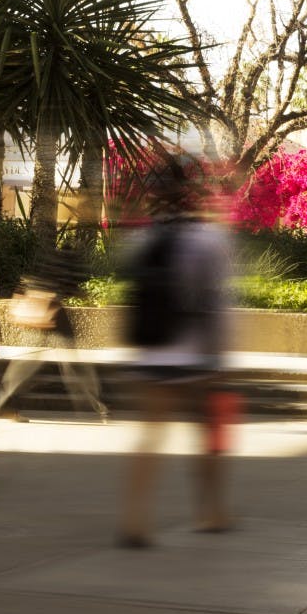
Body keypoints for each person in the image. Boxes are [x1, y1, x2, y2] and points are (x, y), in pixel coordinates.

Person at [116, 155, 234, 548]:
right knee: (209, 436)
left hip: (152, 355)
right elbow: (215, 302)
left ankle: (135, 519)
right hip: (197, 356)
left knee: (149, 437)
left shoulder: (141, 240)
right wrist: (221, 356)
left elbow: (130, 296)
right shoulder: (207, 240)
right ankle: (210, 512)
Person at [0, 241, 110, 423]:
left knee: (26, 362)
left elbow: (34, 283)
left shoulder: (50, 260)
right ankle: (98, 407)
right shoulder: (69, 261)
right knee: (72, 362)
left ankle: (4, 406)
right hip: (52, 313)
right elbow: (67, 287)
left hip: (41, 309)